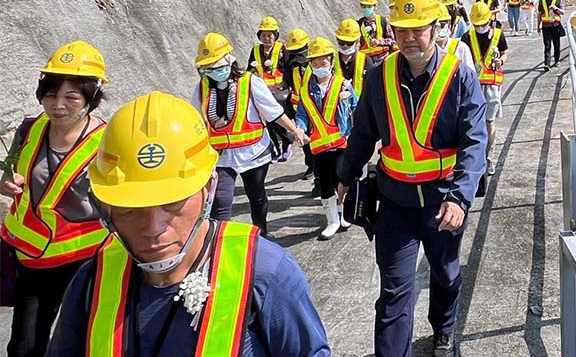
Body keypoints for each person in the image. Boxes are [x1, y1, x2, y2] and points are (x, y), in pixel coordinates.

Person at [46, 91, 332, 356]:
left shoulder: (265, 273)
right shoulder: (92, 280)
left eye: (172, 203)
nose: (153, 227)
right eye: (131, 209)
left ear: (208, 189)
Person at [338, 0, 487, 357]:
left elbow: (475, 143)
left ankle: (444, 326)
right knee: (394, 292)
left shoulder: (460, 77)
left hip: (443, 201)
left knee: (446, 274)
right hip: (394, 203)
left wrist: (460, 198)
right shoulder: (378, 76)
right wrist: (346, 175)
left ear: (436, 28)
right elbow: (362, 132)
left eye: (417, 28)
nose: (408, 37)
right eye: (400, 29)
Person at [0, 41, 110, 357]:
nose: (57, 104)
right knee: (24, 346)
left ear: (91, 99)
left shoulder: (107, 142)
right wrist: (7, 183)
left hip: (86, 258)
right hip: (33, 258)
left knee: (84, 341)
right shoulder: (29, 129)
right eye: (50, 94)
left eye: (70, 97)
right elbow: (11, 178)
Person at [192, 32, 305, 237]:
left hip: (254, 153)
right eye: (209, 68)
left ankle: (261, 234)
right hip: (221, 157)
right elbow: (194, 120)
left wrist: (295, 130)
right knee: (221, 202)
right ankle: (220, 245)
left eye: (217, 67)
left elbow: (273, 112)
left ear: (229, 60)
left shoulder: (250, 82)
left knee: (257, 196)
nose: (214, 71)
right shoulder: (202, 88)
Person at [295, 37, 358, 240]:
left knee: (342, 177)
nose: (320, 67)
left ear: (331, 62)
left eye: (324, 62)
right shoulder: (305, 92)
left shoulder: (343, 85)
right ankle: (332, 220)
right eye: (315, 63)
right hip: (319, 145)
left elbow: (357, 107)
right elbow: (302, 115)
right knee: (325, 183)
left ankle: (344, 213)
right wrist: (300, 129)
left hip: (342, 143)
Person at [463, 2, 507, 175]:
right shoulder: (467, 37)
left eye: (483, 24)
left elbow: (504, 52)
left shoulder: (498, 34)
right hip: (471, 87)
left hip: (492, 87)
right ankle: (475, 159)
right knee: (472, 124)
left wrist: (501, 61)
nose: (480, 27)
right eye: (477, 24)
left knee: (489, 123)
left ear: (490, 19)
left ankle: (489, 159)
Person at [247, 16, 292, 163]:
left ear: (275, 35)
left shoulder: (282, 49)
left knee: (278, 119)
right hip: (263, 92)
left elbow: (289, 69)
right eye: (263, 35)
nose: (266, 38)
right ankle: (276, 149)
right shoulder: (254, 51)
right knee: (269, 124)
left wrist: (286, 85)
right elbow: (249, 70)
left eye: (269, 35)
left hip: (280, 92)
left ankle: (286, 144)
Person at [283, 28, 313, 180]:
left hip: (315, 108)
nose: (297, 56)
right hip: (298, 108)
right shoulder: (290, 65)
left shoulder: (314, 64)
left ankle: (319, 170)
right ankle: (311, 166)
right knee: (305, 138)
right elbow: (289, 84)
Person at [333, 18, 370, 99]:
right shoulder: (331, 61)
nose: (345, 46)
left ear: (357, 41)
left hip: (360, 107)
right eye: (342, 42)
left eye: (349, 43)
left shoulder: (366, 61)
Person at [358, 0, 395, 67]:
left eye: (369, 6)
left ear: (375, 7)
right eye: (364, 6)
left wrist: (379, 42)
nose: (366, 9)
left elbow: (392, 40)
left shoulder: (383, 21)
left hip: (383, 61)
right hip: (367, 63)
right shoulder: (359, 24)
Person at [436, 1, 475, 68]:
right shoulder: (426, 51)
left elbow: (470, 76)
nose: (440, 28)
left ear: (449, 24)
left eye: (443, 24)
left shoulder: (461, 48)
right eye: (436, 25)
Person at [537, 0, 564, 70]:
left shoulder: (557, 0)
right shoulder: (542, 1)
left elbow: (563, 12)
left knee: (557, 44)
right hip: (546, 26)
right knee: (547, 45)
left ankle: (557, 60)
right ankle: (547, 64)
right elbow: (539, 14)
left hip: (556, 26)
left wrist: (556, 8)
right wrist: (538, 25)